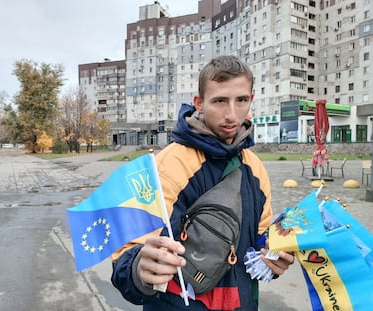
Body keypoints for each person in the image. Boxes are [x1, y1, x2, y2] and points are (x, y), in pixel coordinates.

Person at [111, 55, 295, 310]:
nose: (231, 114)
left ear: (251, 100)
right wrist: (138, 268)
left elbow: (261, 240)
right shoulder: (169, 163)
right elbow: (128, 253)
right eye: (220, 101)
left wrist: (275, 258)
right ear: (199, 103)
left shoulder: (255, 167)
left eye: (241, 100)